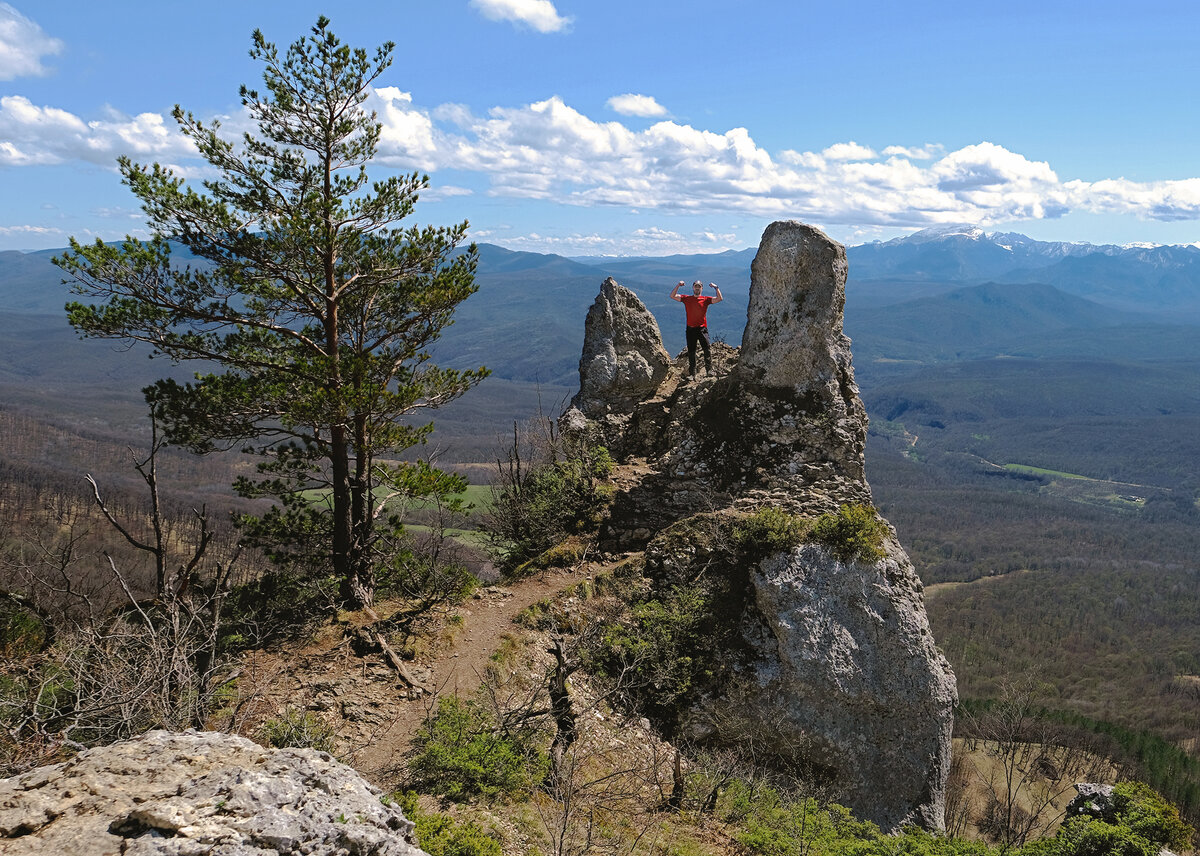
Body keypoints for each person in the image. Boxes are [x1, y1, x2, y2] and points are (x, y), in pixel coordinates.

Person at [670, 279, 723, 377]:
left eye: (699, 287)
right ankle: (692, 374)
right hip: (690, 329)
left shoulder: (705, 299)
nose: (697, 288)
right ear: (693, 288)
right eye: (696, 286)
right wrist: (678, 285)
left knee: (706, 349)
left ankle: (709, 370)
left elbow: (719, 298)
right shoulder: (687, 298)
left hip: (702, 329)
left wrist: (716, 288)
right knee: (691, 351)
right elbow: (672, 296)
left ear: (702, 288)